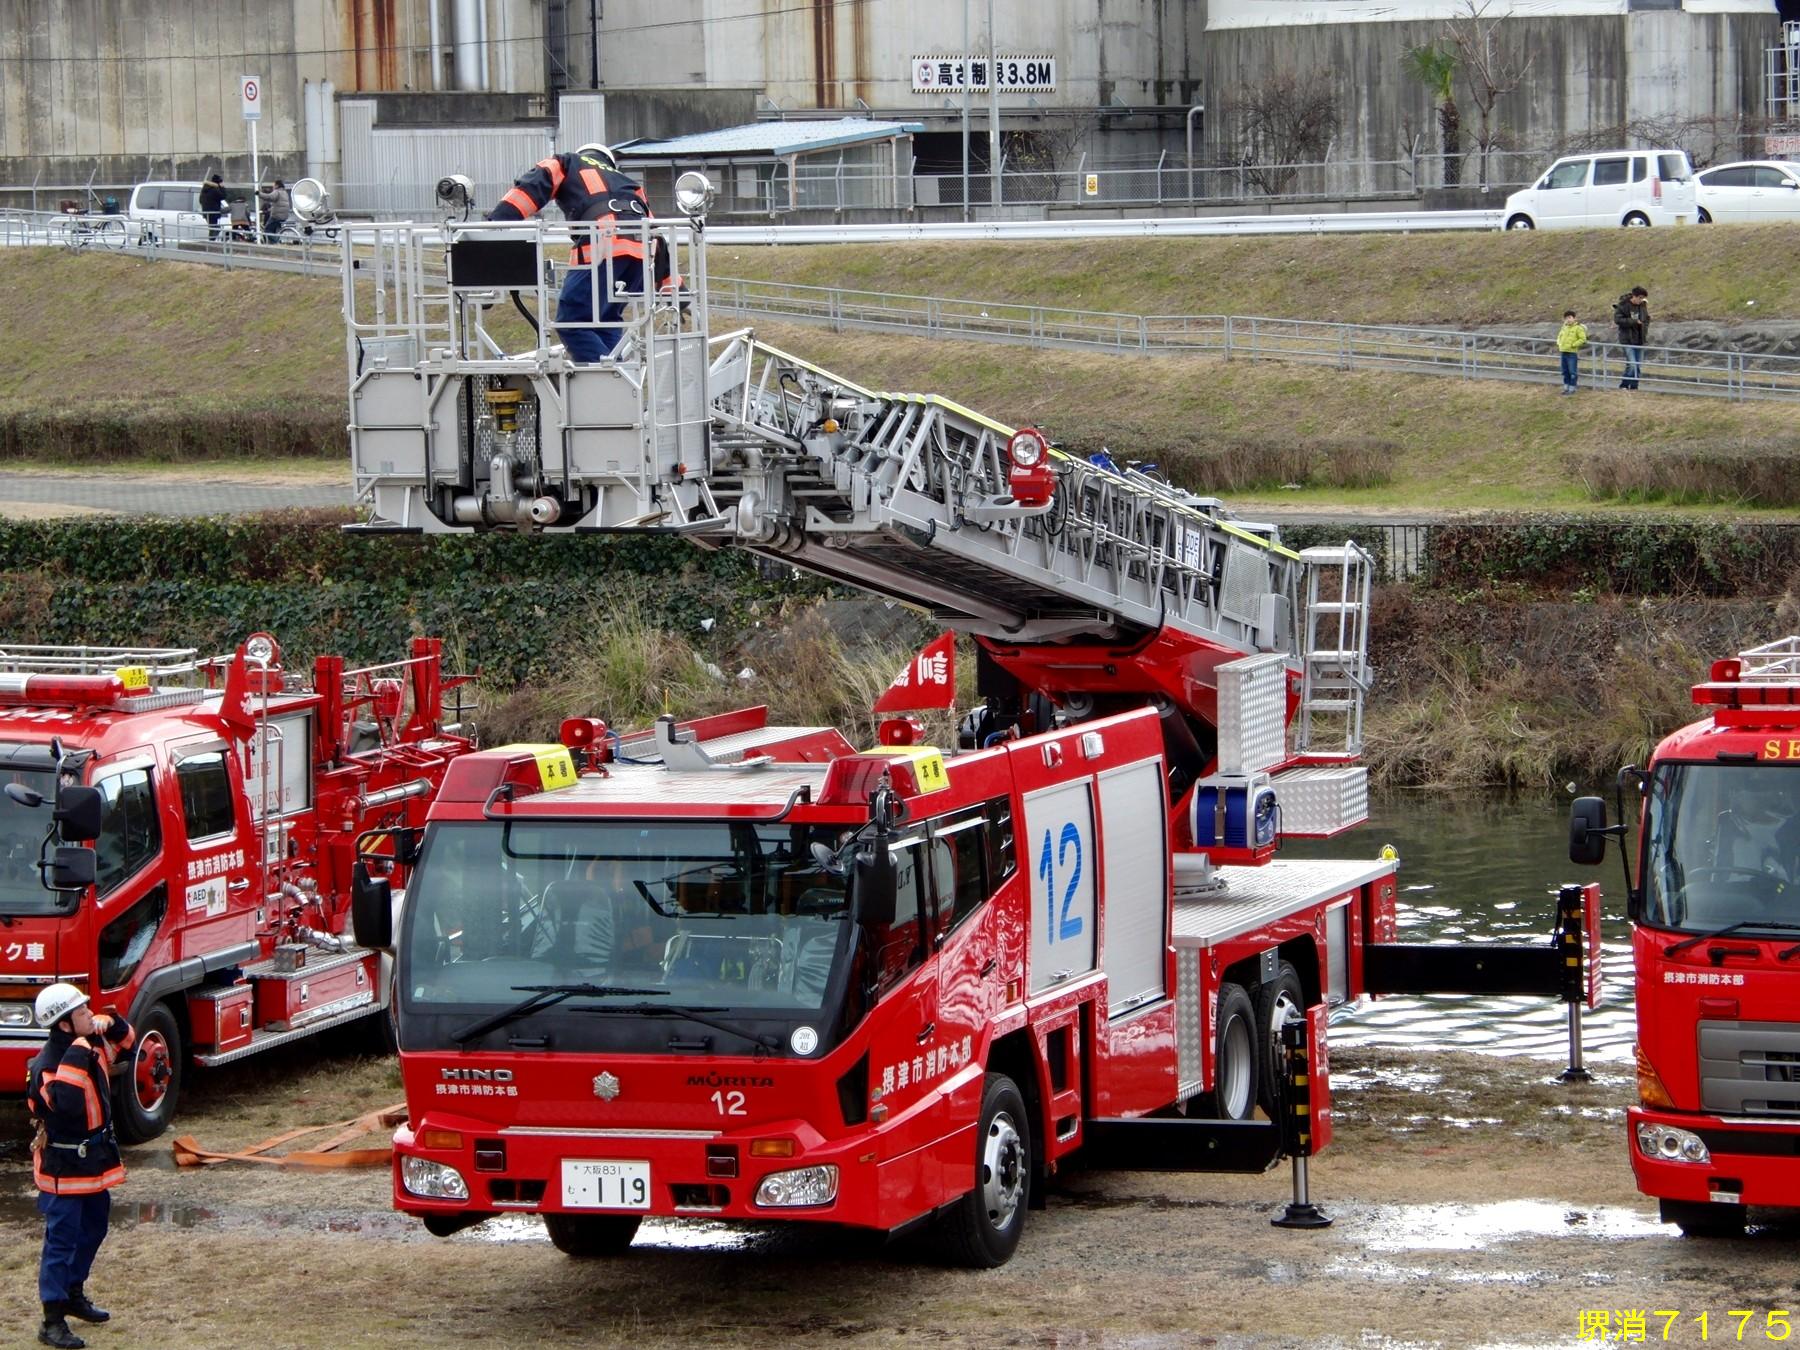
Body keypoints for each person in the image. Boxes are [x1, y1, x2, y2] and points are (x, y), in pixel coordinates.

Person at [487, 143, 676, 361]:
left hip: (603, 245)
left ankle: (606, 382)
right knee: (605, 320)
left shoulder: (568, 162)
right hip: (642, 253)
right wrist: (677, 291)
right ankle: (621, 380)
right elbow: (656, 234)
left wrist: (496, 223)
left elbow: (535, 184)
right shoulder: (629, 184)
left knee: (572, 322)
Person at [26, 983, 134, 1350]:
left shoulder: (89, 1045)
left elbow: (129, 1042)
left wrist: (113, 1024)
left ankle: (73, 1292)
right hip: (63, 1167)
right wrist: (78, 1051)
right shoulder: (46, 1066)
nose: (90, 1014)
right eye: (82, 1012)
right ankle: (51, 1320)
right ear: (65, 1025)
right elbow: (68, 1105)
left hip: (94, 1161)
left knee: (94, 1228)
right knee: (61, 1241)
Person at [1613, 285, 1649, 391]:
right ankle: (1624, 384)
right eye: (1640, 298)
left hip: (1640, 339)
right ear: (1634, 296)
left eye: (1642, 298)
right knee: (1632, 364)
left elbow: (1646, 319)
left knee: (1637, 365)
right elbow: (1618, 320)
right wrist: (1633, 322)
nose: (1641, 300)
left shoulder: (1643, 306)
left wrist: (1644, 327)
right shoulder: (1623, 305)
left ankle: (1634, 386)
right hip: (1627, 339)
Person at [1556, 310, 1588, 395]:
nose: (1568, 320)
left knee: (1572, 372)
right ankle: (1566, 388)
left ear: (1574, 318)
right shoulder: (1564, 327)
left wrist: (1573, 345)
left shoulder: (1578, 328)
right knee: (1565, 371)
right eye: (1566, 318)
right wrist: (1559, 343)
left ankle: (1572, 388)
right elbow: (1559, 336)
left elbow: (1583, 339)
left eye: (1570, 317)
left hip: (1572, 353)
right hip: (1563, 351)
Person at [199, 173, 228, 240]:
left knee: (212, 228)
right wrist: (222, 187)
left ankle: (211, 240)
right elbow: (223, 196)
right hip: (213, 212)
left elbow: (200, 200)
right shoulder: (214, 190)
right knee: (214, 228)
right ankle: (211, 241)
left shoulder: (204, 189)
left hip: (206, 211)